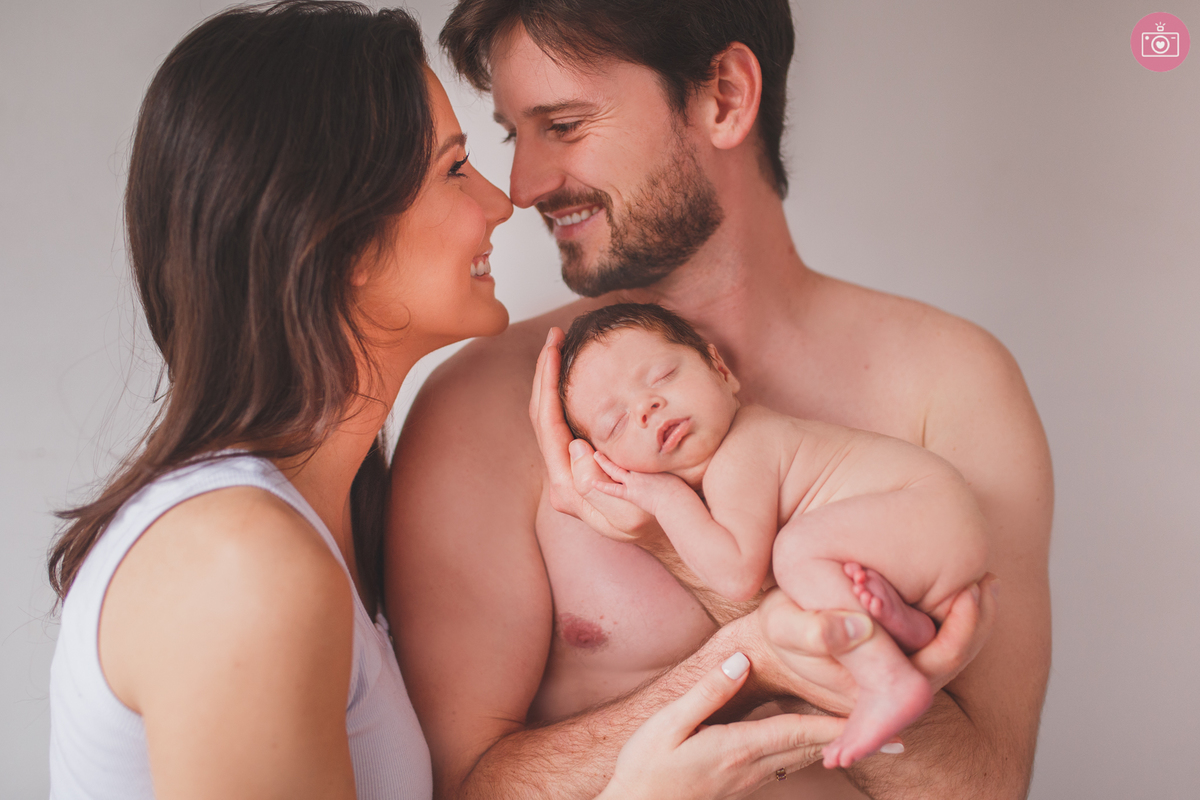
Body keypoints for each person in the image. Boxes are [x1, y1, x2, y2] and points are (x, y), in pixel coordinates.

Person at [45, 3, 851, 799]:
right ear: (342, 240)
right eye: (454, 169)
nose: (504, 202)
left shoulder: (312, 524)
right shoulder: (241, 567)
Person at [386, 0, 1044, 798]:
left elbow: (986, 786)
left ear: (725, 96)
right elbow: (466, 788)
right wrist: (748, 657)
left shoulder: (951, 381)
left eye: (562, 125)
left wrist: (689, 562)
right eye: (511, 133)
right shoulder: (481, 406)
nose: (522, 186)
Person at [557, 302, 988, 768]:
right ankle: (905, 627)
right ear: (610, 465)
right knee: (783, 606)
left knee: (795, 553)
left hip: (927, 509)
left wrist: (661, 498)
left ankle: (888, 680)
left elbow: (739, 577)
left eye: (662, 376)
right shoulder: (735, 466)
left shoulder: (744, 449)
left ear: (721, 370)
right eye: (615, 423)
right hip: (923, 540)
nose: (646, 407)